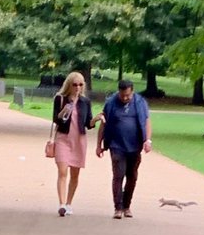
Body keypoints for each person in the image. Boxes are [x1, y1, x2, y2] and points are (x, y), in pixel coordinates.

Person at [96, 79, 152, 219]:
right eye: (122, 95)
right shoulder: (111, 103)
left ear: (132, 91)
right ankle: (118, 207)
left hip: (135, 146)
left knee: (132, 177)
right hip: (116, 145)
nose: (125, 98)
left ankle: (127, 206)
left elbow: (146, 122)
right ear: (118, 92)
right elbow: (103, 125)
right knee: (118, 175)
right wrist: (99, 145)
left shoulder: (140, 103)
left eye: (127, 95)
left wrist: (148, 140)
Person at [49, 71, 102, 217]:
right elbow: (56, 120)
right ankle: (61, 204)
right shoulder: (60, 99)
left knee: (75, 174)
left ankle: (69, 203)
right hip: (63, 139)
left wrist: (95, 120)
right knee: (62, 171)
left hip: (79, 141)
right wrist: (63, 111)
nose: (78, 87)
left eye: (80, 84)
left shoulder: (85, 102)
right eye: (75, 84)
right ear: (69, 85)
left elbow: (87, 124)